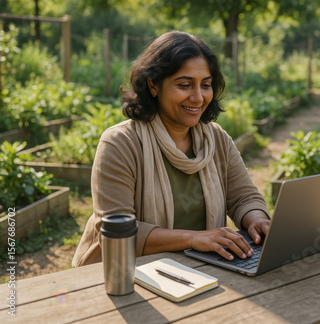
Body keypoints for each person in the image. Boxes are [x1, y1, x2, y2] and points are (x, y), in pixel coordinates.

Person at [72, 31, 271, 267]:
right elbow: (117, 231)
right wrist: (195, 238)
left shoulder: (216, 140)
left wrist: (257, 220)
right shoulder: (120, 144)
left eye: (206, 85)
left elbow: (244, 198)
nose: (198, 97)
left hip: (198, 269)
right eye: (185, 85)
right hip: (121, 275)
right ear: (153, 85)